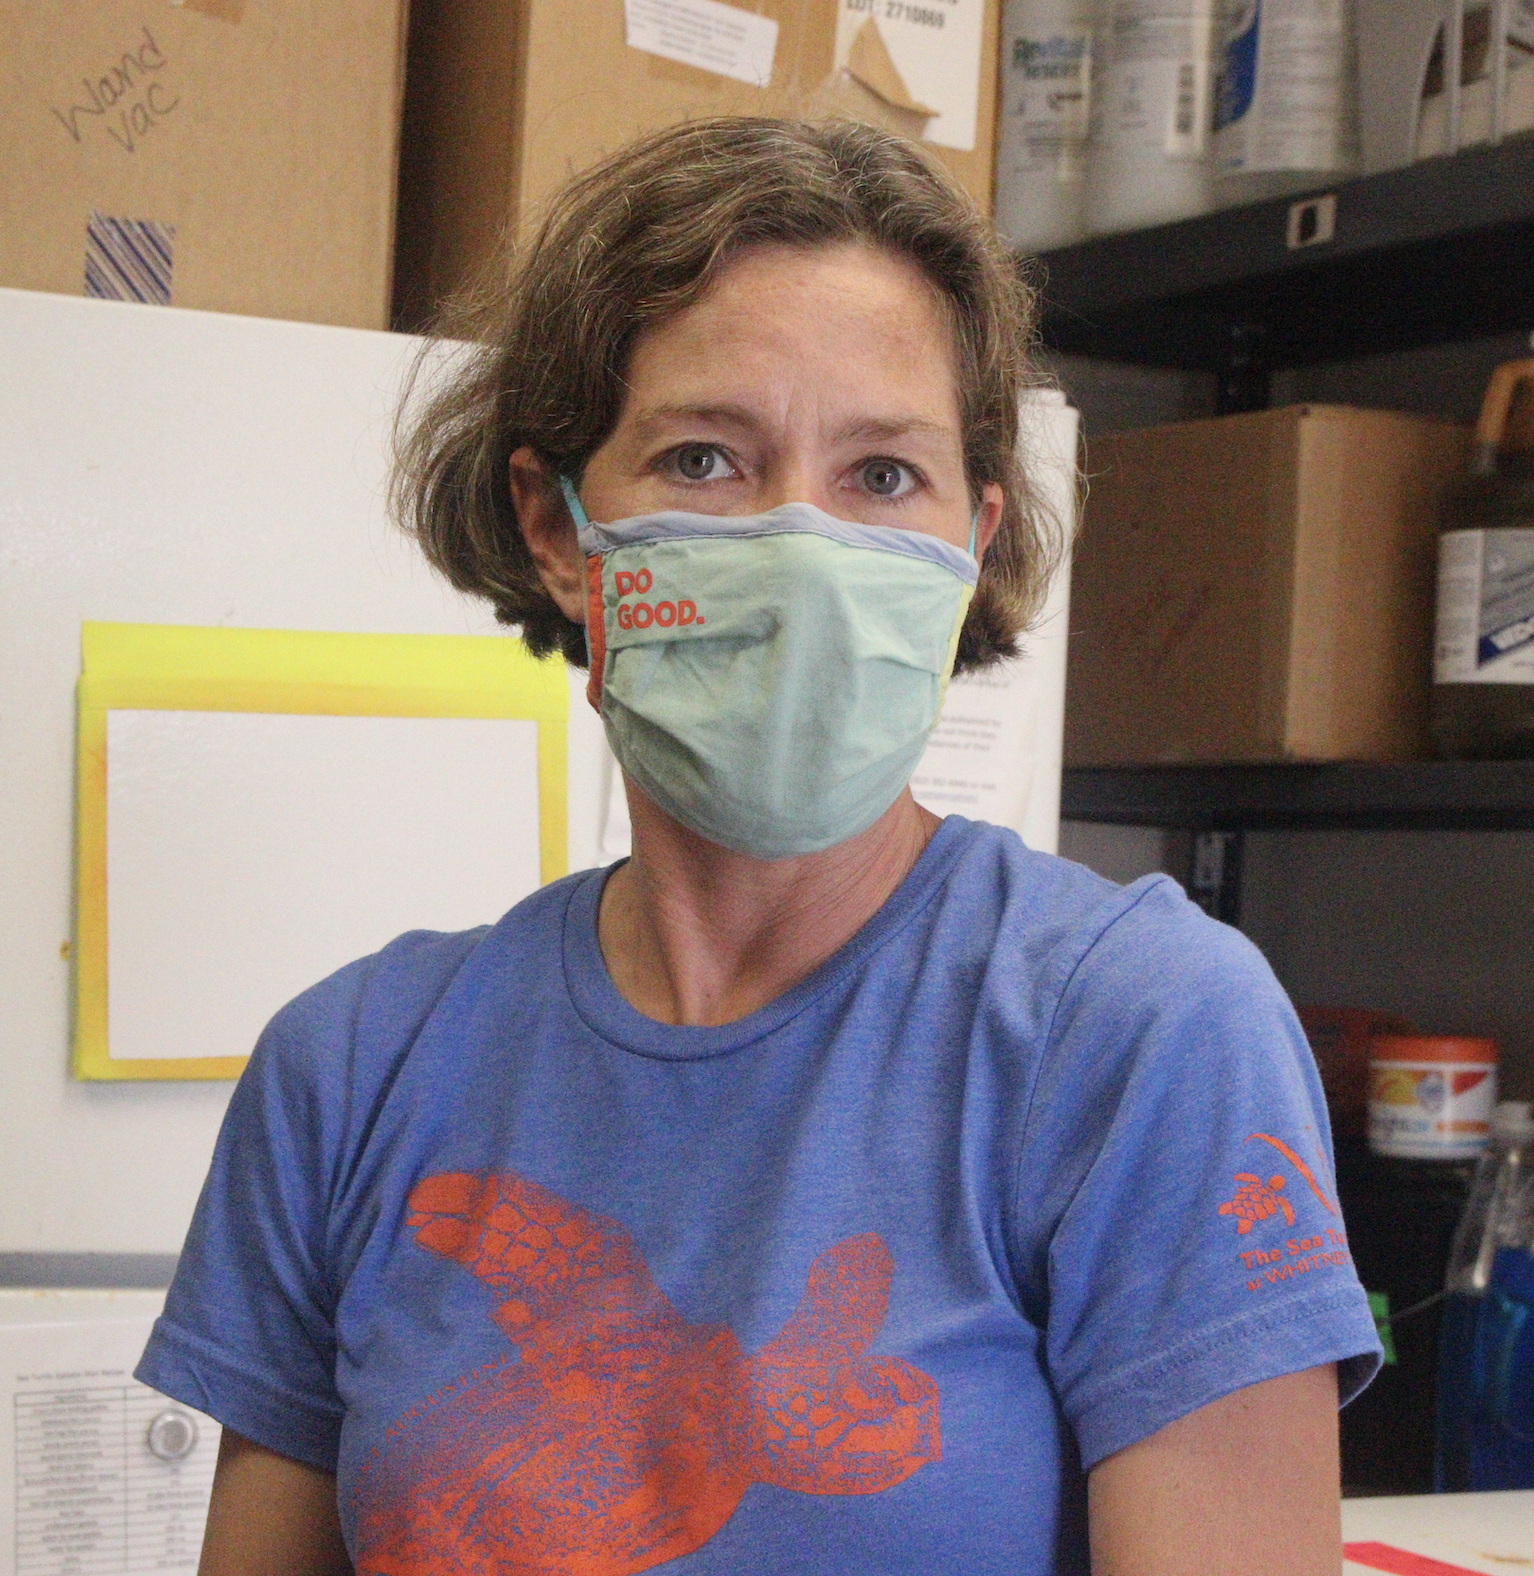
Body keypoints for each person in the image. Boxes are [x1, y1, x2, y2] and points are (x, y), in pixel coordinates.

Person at [139, 117, 1380, 1576]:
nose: (798, 550)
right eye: (707, 458)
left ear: (968, 543)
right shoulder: (352, 1068)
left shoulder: (1134, 1033)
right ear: (556, 527)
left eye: (880, 477)